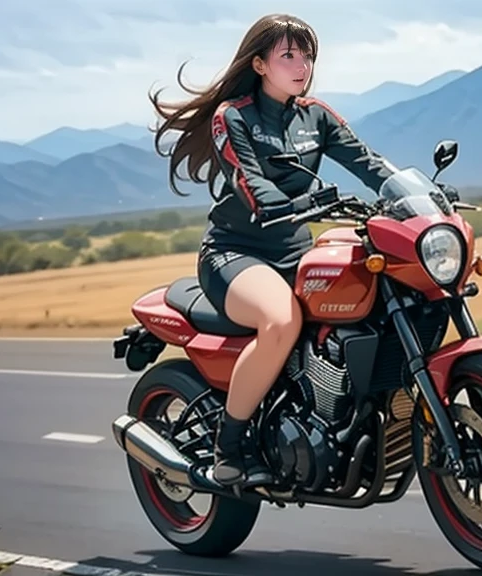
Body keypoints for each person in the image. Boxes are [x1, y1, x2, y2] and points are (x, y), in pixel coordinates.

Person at [149, 13, 400, 487]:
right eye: (288, 54)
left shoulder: (317, 115)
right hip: (236, 254)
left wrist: (417, 195)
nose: (301, 63)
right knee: (281, 320)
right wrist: (297, 202)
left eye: (306, 54)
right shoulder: (234, 116)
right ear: (261, 63)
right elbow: (251, 182)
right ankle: (231, 443)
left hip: (294, 253)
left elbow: (368, 162)